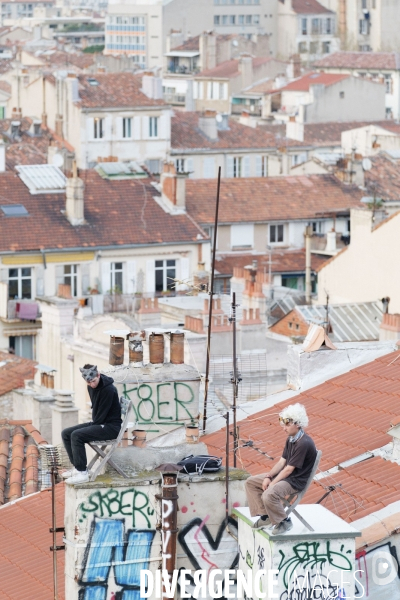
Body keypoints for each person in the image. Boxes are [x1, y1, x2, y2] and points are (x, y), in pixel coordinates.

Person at [245, 403, 316, 535]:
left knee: (269, 493)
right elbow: (281, 462)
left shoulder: (303, 443)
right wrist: (268, 476)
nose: (284, 428)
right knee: (251, 482)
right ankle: (266, 516)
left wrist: (272, 483)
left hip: (295, 481)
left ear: (298, 424)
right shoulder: (291, 439)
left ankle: (284, 522)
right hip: (287, 477)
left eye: (287, 424)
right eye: (283, 424)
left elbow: (289, 469)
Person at [61, 364, 122, 484]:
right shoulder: (91, 387)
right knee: (66, 433)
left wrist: (92, 424)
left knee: (77, 435)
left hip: (110, 427)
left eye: (93, 381)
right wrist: (92, 423)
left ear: (98, 375)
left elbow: (99, 417)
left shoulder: (108, 390)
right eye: (89, 383)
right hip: (100, 422)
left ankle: (82, 472)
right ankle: (77, 469)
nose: (92, 384)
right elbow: (96, 414)